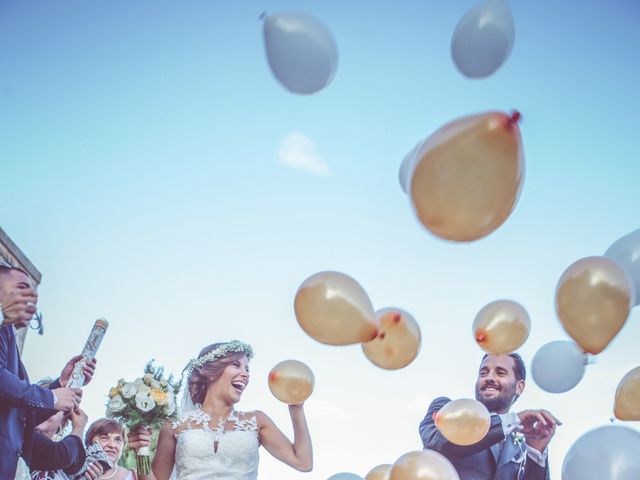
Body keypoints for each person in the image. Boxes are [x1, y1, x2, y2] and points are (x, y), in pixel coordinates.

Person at [127, 340, 313, 480]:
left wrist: (296, 409)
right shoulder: (174, 426)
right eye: (236, 365)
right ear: (211, 370)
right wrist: (141, 451)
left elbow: (303, 462)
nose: (246, 374)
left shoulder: (257, 421)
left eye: (248, 369)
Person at [0, 259, 97, 478]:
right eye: (21, 286)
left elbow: (19, 414)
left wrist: (61, 383)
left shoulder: (7, 335)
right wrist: (52, 398)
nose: (31, 297)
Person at [419, 353, 560, 480]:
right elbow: (435, 443)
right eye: (483, 373)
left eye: (500, 373)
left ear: (519, 387)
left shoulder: (521, 447)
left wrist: (535, 452)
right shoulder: (446, 409)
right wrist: (511, 420)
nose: (490, 378)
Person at [29, 408, 94, 479]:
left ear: (62, 425)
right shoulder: (20, 432)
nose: (43, 411)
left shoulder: (60, 470)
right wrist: (79, 427)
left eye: (53, 410)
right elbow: (62, 455)